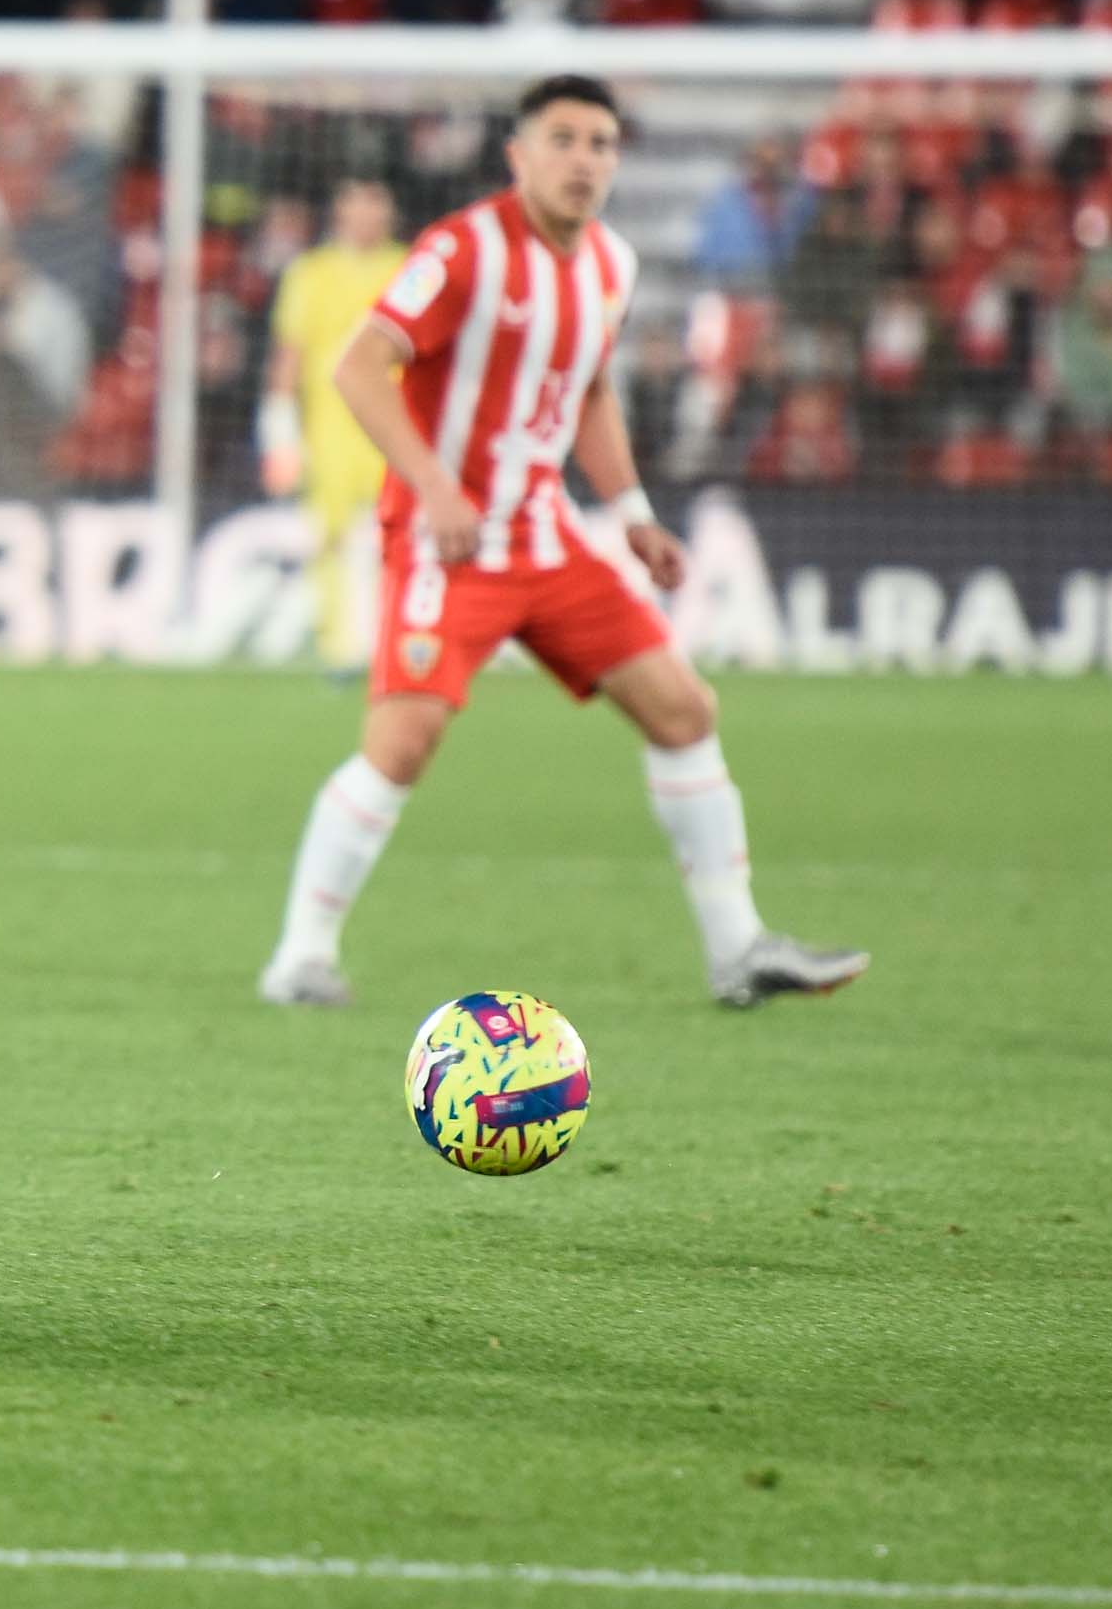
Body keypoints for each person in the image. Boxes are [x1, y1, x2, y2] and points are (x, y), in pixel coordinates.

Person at [256, 77, 869, 1013]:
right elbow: (358, 364)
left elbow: (585, 389)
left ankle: (738, 948)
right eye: (565, 139)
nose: (585, 160)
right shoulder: (461, 251)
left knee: (683, 709)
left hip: (543, 538)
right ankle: (299, 956)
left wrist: (629, 508)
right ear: (519, 152)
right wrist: (433, 484)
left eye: (602, 143)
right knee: (403, 741)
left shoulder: (612, 265)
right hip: (445, 542)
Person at [261, 177, 406, 676]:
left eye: (375, 202)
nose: (366, 214)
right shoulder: (311, 272)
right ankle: (341, 647)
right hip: (331, 430)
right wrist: (280, 435)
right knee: (331, 538)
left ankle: (403, 642)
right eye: (356, 202)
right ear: (339, 211)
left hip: (398, 424)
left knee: (404, 537)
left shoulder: (409, 268)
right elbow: (289, 355)